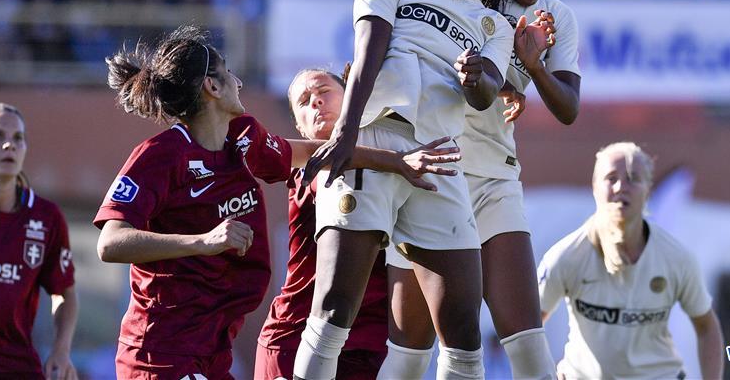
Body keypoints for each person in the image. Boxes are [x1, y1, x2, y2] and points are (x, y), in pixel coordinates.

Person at [94, 25, 461, 380]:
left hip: (214, 348)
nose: (239, 82)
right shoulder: (162, 155)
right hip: (162, 350)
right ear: (213, 86)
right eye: (230, 73)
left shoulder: (244, 139)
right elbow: (110, 242)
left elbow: (319, 152)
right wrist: (203, 242)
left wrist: (397, 161)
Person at [294, 0, 544, 380]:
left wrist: (476, 80)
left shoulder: (493, 25)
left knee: (464, 334)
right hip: (375, 136)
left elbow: (486, 92)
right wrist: (346, 132)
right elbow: (369, 48)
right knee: (333, 310)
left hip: (442, 161)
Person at [381, 0, 580, 380]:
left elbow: (570, 108)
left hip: (493, 179)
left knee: (528, 342)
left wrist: (531, 70)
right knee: (410, 351)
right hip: (430, 175)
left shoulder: (555, 17)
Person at [256, 66, 411, 379]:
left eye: (324, 91)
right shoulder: (309, 169)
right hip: (297, 337)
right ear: (300, 128)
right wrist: (398, 162)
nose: (315, 102)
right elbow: (334, 161)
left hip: (370, 343)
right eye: (304, 101)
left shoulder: (397, 150)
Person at [538, 143, 725, 380]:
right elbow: (529, 326)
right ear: (595, 187)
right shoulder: (566, 255)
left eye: (632, 179)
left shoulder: (676, 259)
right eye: (611, 178)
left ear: (647, 190)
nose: (620, 187)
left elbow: (707, 327)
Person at [0, 103, 78, 380]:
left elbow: (65, 293)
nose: (8, 146)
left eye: (18, 138)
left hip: (17, 369)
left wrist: (61, 351)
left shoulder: (46, 217)